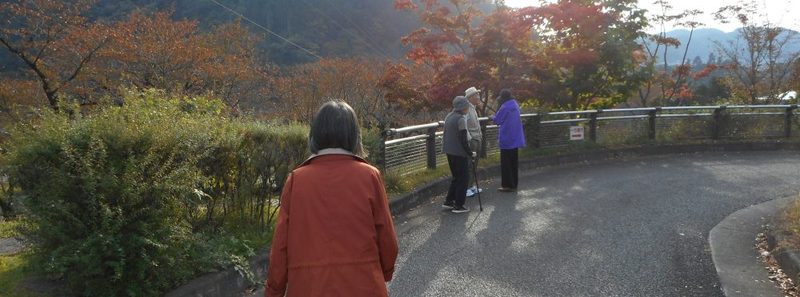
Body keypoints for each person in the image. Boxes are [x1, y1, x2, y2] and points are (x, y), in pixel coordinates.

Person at [265, 100, 399, 297]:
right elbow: (387, 237)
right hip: (364, 285)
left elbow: (281, 246)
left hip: (309, 287)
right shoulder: (369, 176)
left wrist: (274, 290)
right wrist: (384, 272)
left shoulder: (297, 180)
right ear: (354, 134)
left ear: (315, 134)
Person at [442, 96, 475, 213]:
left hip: (449, 151)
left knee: (456, 177)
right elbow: (463, 139)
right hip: (459, 153)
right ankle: (459, 205)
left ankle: (449, 201)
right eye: (467, 106)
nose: (468, 108)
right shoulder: (461, 119)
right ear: (462, 107)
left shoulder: (449, 116)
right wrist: (470, 153)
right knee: (463, 178)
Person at [491, 89, 525, 192]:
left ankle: (507, 185)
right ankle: (514, 184)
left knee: (506, 163)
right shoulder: (515, 104)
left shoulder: (504, 107)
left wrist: (491, 117)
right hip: (515, 138)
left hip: (507, 139)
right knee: (514, 162)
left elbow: (497, 120)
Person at [464, 86, 483, 197]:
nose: (478, 97)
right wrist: (469, 139)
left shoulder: (473, 108)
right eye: (476, 95)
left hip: (478, 138)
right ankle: (467, 187)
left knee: (475, 164)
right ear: (470, 97)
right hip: (472, 140)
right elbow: (464, 125)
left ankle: (471, 186)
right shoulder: (466, 108)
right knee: (470, 164)